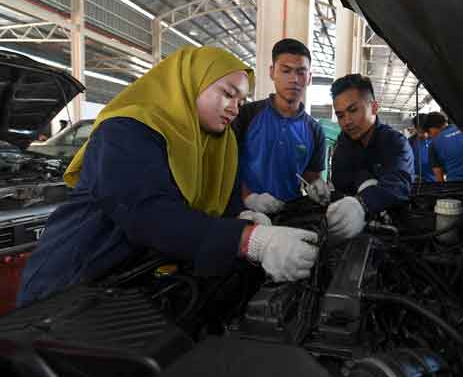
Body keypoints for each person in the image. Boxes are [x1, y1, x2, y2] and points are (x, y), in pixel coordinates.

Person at [17, 46, 319, 306]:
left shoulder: (218, 145)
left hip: (133, 289)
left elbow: (216, 209)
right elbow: (147, 213)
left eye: (240, 101)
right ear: (190, 82)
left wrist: (242, 216)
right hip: (71, 284)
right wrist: (250, 240)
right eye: (227, 94)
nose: (234, 108)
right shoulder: (126, 130)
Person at [232, 38, 329, 214]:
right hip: (245, 212)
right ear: (272, 72)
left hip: (290, 215)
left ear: (309, 78)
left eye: (301, 72)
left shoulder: (314, 131)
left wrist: (316, 185)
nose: (293, 79)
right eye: (286, 71)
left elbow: (310, 174)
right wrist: (249, 197)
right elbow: (226, 165)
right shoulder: (246, 116)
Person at [327, 73, 414, 239]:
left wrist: (363, 203)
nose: (347, 121)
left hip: (394, 231)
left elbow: (399, 182)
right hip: (350, 232)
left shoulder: (395, 142)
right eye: (340, 115)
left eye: (352, 110)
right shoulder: (343, 146)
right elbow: (341, 183)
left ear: (374, 107)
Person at [423, 112, 463, 182]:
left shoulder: (433, 144)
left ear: (432, 128)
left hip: (457, 185)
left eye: (429, 132)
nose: (430, 136)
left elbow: (439, 178)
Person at [408, 113, 436, 182]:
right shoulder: (410, 142)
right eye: (420, 130)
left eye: (424, 130)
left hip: (434, 181)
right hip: (416, 182)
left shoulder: (437, 140)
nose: (423, 134)